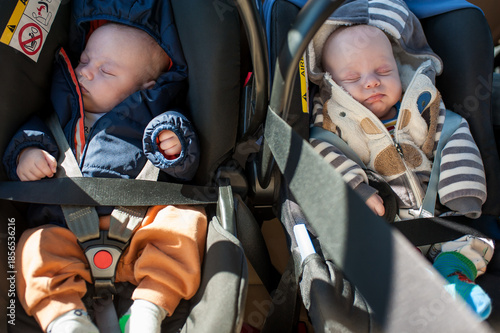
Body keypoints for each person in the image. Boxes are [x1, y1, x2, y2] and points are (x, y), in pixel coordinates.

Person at [2, 22, 207, 333]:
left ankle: (149, 309)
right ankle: (66, 319)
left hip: (141, 232)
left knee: (184, 221)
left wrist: (176, 146)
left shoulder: (158, 121)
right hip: (65, 234)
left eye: (106, 71)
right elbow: (30, 136)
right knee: (32, 246)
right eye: (84, 61)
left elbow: (187, 168)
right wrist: (25, 154)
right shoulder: (59, 118)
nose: (85, 72)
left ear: (146, 87)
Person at [306, 0, 494, 320]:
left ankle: (454, 277)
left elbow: (452, 136)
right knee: (358, 255)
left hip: (438, 214)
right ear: (332, 84)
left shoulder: (424, 108)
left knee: (475, 242)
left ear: (400, 66)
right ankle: (407, 291)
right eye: (352, 77)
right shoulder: (333, 124)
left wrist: (462, 191)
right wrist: (357, 190)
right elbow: (324, 154)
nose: (371, 82)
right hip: (382, 227)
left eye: (383, 71)